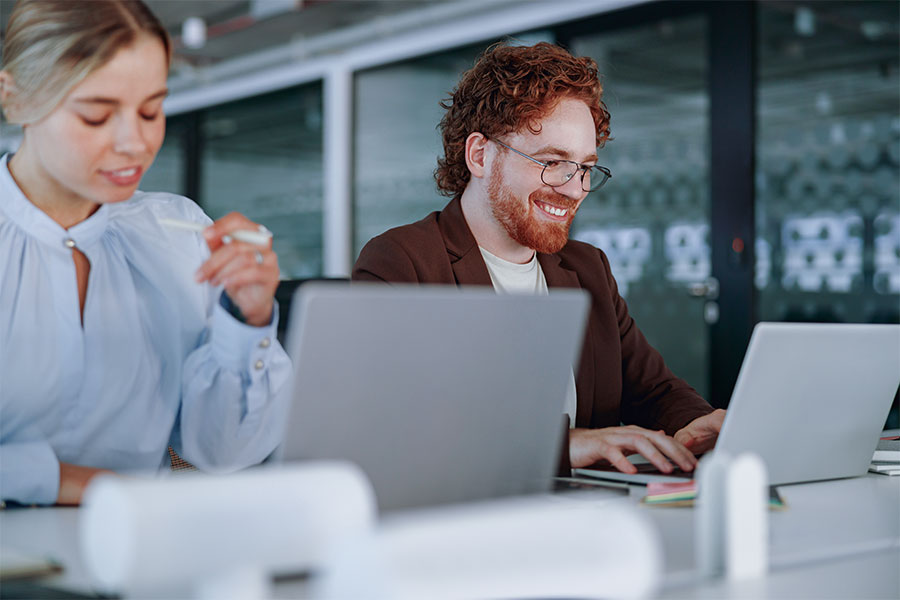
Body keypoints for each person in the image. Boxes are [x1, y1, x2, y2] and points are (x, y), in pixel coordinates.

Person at [353, 42, 726, 475]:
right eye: (553, 162)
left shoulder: (589, 269)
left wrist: (700, 424)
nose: (575, 189)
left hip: (588, 519)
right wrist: (560, 446)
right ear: (480, 155)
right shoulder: (403, 263)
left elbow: (654, 390)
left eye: (586, 167)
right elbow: (391, 425)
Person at [0, 0, 291, 506]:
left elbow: (225, 453)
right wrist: (76, 484)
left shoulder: (178, 236)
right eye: (97, 115)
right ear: (15, 98)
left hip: (139, 560)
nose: (135, 142)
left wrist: (247, 318)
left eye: (151, 110)